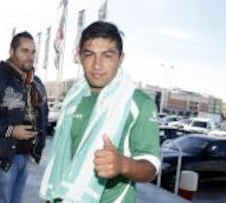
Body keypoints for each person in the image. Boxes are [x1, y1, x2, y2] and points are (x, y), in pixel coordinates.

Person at [40, 21, 160, 203]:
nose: (97, 65)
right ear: (80, 57)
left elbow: (151, 167)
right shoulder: (74, 97)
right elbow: (61, 159)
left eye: (107, 56)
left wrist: (123, 165)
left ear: (120, 59)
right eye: (89, 55)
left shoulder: (139, 103)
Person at [0, 31, 48, 203]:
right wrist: (10, 130)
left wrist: (38, 148)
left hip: (23, 157)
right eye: (24, 51)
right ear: (12, 52)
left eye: (33, 52)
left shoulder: (33, 82)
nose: (30, 56)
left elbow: (42, 115)